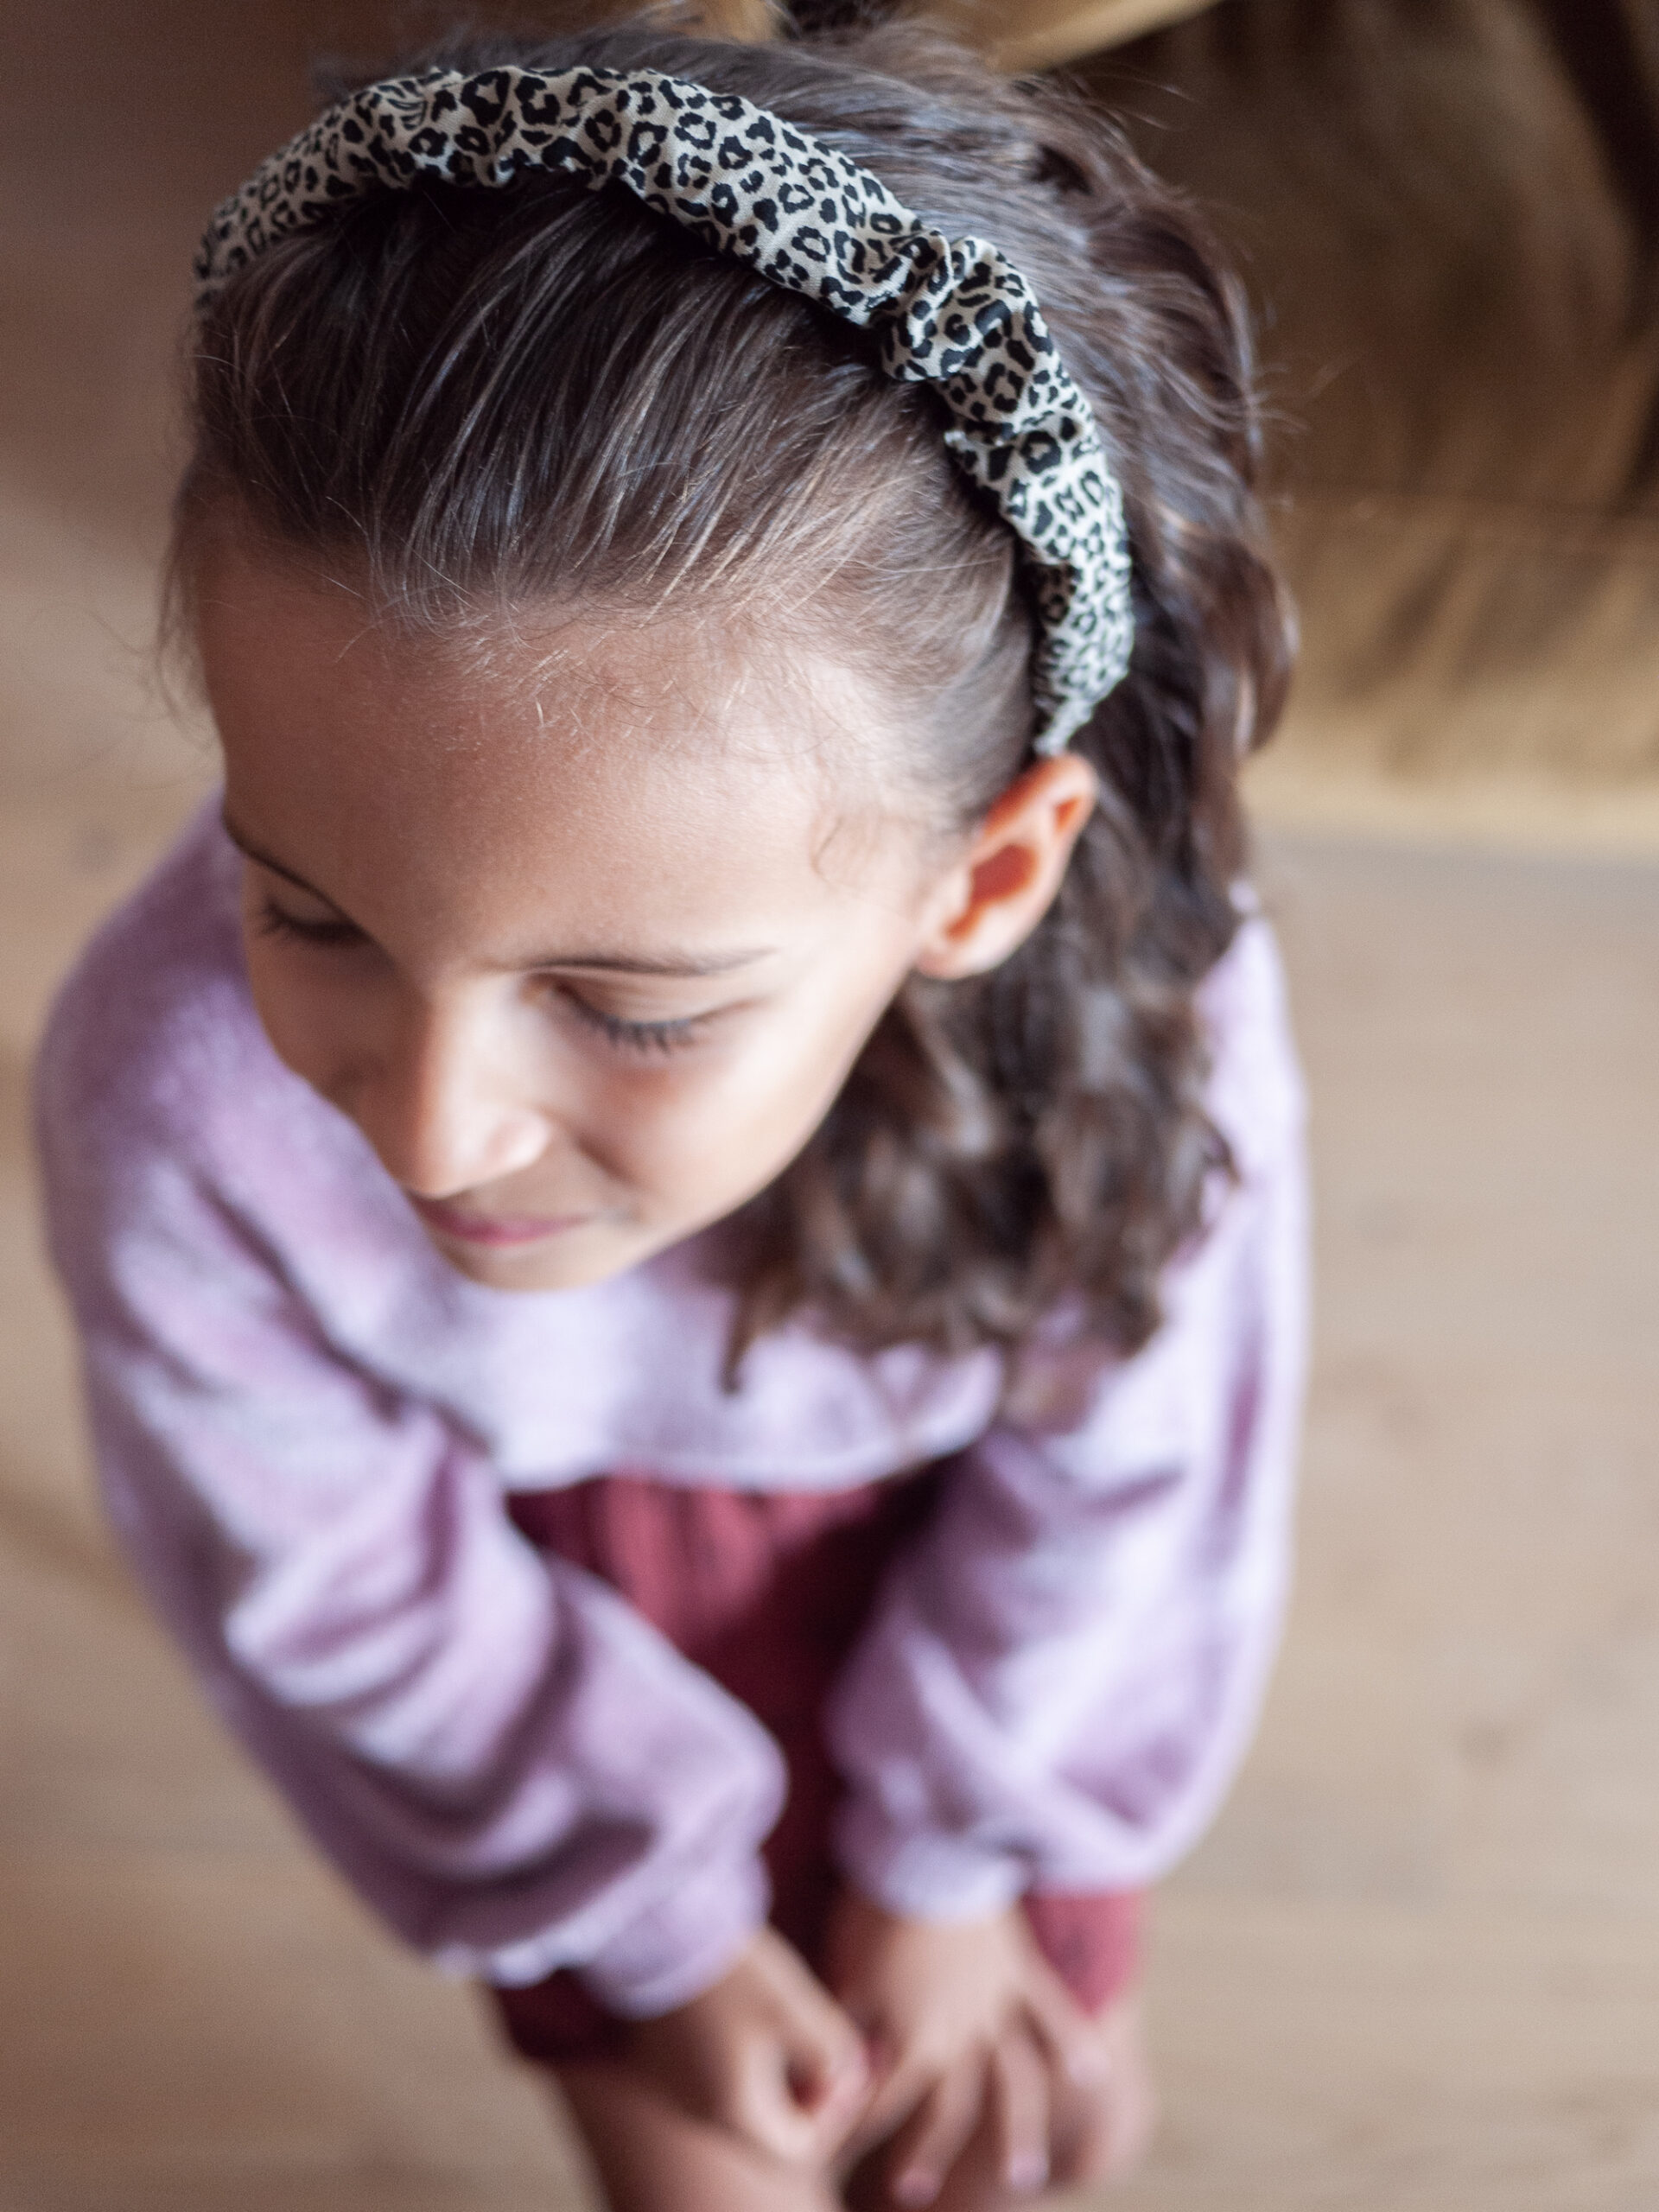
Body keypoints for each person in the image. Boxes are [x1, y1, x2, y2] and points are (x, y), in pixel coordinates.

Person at [35, 16, 1306, 2210]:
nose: (429, 1136)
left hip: (1008, 1632)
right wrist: (657, 1922)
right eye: (303, 901)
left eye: (626, 1004)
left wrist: (962, 1864)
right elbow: (326, 1562)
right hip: (521, 1664)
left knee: (1031, 2135)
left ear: (983, 880)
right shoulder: (168, 1098)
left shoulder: (1145, 1002)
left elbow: (1140, 1459)